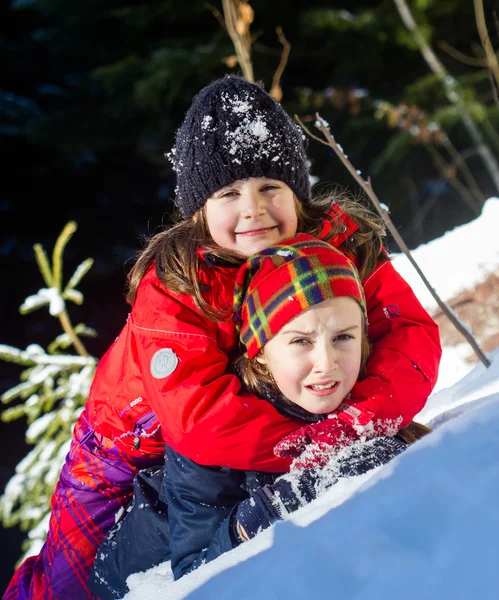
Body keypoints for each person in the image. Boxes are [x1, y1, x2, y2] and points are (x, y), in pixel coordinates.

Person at [4, 75, 441, 600]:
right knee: (64, 585)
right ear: (198, 211)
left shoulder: (337, 246)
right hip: (125, 446)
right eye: (229, 193)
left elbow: (408, 335)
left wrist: (360, 423)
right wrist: (322, 448)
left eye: (270, 189)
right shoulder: (177, 284)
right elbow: (200, 418)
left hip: (246, 429)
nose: (253, 209)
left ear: (298, 195)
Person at [89, 235, 432, 599]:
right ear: (261, 352)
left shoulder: (360, 398)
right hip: (130, 578)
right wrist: (280, 503)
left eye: (343, 337)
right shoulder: (210, 444)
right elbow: (195, 577)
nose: (327, 362)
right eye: (301, 341)